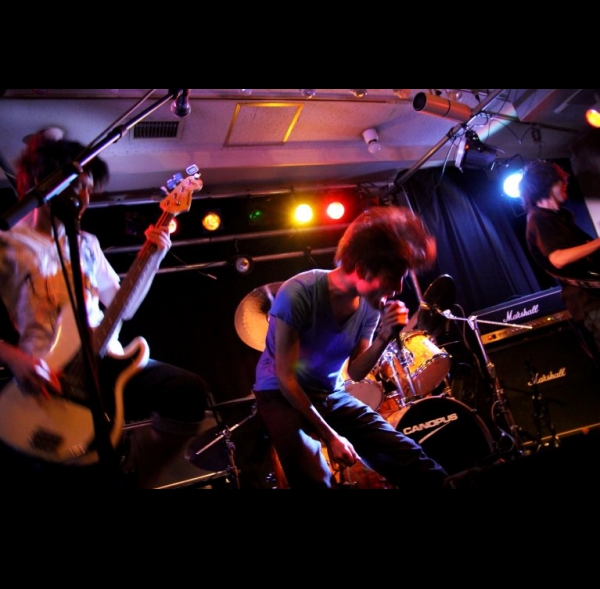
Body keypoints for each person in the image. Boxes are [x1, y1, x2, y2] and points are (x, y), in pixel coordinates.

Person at [0, 128, 210, 489]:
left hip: (106, 359)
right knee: (65, 468)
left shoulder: (87, 243)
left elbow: (123, 307)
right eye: (77, 187)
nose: (84, 198)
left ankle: (144, 475)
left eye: (88, 188)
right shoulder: (9, 245)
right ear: (42, 184)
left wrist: (155, 255)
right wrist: (13, 358)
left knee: (187, 391)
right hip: (49, 375)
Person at [252, 205, 450, 490]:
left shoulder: (369, 305)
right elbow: (286, 378)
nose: (398, 287)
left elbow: (356, 372)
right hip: (280, 394)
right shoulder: (299, 293)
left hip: (329, 392)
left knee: (407, 456)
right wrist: (330, 436)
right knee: (314, 480)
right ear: (362, 269)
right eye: (393, 276)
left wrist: (385, 335)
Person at [519, 159, 600, 363]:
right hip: (589, 302)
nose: (566, 182)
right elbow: (558, 258)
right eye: (560, 180)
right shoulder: (539, 219)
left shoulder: (559, 217)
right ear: (547, 184)